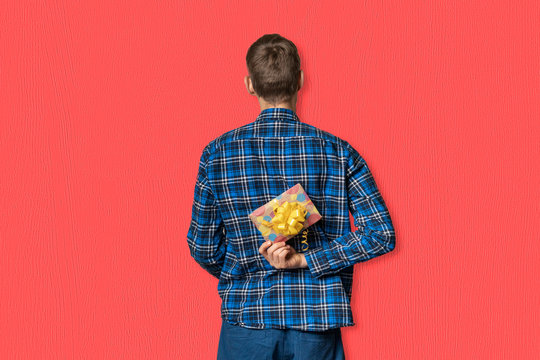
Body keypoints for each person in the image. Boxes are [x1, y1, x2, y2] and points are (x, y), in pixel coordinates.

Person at [187, 33, 396, 360]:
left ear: (250, 85)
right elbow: (380, 235)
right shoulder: (338, 152)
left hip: (247, 319)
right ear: (300, 80)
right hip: (315, 322)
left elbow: (203, 247)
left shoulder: (217, 153)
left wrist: (248, 265)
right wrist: (308, 261)